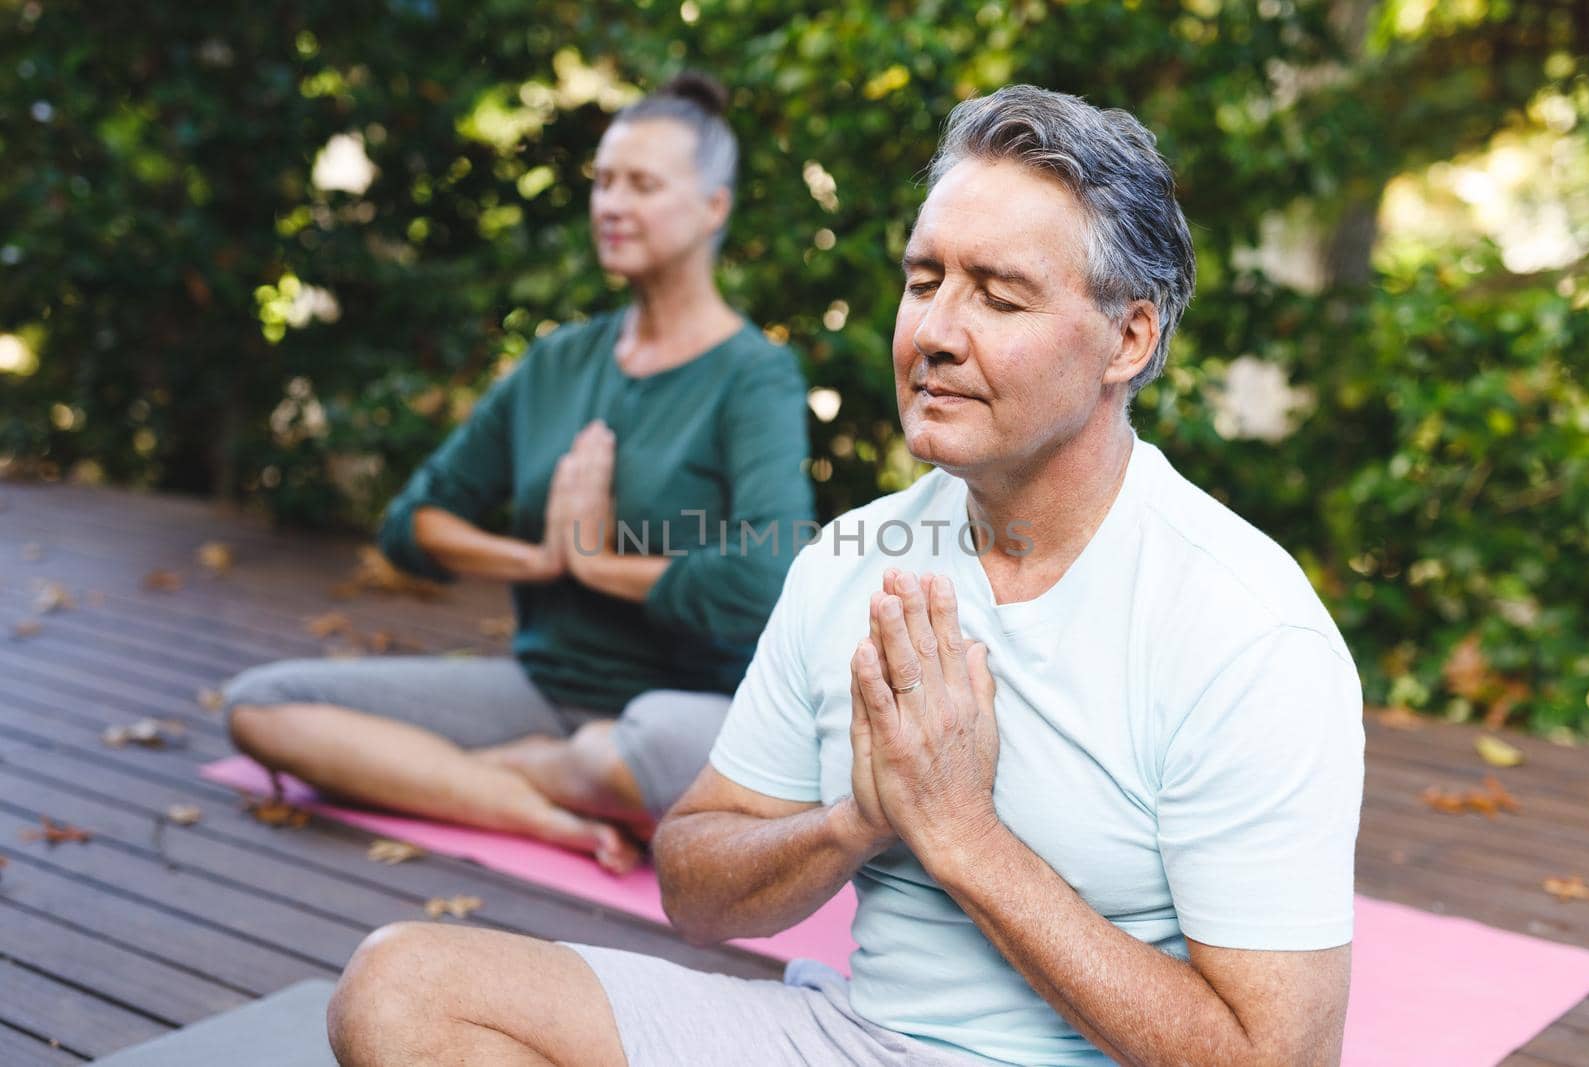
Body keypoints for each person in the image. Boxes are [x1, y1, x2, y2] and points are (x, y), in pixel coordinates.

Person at [325, 85, 1364, 1066]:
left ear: (1125, 338)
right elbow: (694, 880)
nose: (935, 334)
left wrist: (962, 836)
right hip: (849, 1038)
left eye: (998, 297)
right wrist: (853, 820)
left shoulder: (1242, 625)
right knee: (403, 985)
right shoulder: (853, 559)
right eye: (924, 281)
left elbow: (1273, 1055)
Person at [224, 72, 814, 875]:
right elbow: (414, 524)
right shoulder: (557, 362)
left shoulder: (754, 375)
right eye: (603, 182)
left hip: (684, 709)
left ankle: (506, 774)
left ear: (713, 207)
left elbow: (768, 576)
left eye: (642, 184)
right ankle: (535, 802)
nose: (611, 204)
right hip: (542, 690)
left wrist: (597, 562)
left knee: (632, 750)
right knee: (262, 707)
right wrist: (537, 559)